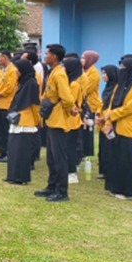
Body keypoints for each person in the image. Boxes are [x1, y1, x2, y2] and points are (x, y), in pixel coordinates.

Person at [34, 44, 76, 203]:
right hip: (51, 119)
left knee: (59, 158)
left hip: (58, 120)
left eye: (47, 54)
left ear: (55, 57)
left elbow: (67, 98)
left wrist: (70, 110)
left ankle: (61, 191)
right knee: (51, 157)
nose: (45, 56)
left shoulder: (59, 74)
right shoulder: (53, 72)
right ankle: (51, 186)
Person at [101, 56, 132, 200]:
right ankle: (116, 188)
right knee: (117, 159)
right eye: (120, 68)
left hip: (130, 128)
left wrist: (112, 115)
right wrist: (108, 120)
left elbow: (130, 108)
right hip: (116, 127)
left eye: (124, 69)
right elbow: (112, 104)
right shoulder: (120, 85)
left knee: (129, 160)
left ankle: (131, 192)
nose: (121, 71)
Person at [5, 59, 41, 185]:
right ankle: (12, 175)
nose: (16, 72)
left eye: (18, 70)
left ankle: (21, 177)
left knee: (22, 151)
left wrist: (37, 120)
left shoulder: (31, 84)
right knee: (13, 149)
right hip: (17, 119)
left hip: (26, 121)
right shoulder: (22, 82)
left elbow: (35, 104)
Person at [0, 50, 17, 162]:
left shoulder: (13, 71)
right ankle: (2, 151)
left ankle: (8, 153)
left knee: (6, 131)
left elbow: (9, 89)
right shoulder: (3, 71)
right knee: (0, 130)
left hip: (6, 104)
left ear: (5, 58)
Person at [62, 56, 84, 185]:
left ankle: (72, 172)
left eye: (65, 66)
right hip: (66, 120)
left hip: (72, 120)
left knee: (70, 147)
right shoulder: (68, 82)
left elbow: (70, 101)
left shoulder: (74, 84)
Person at [95, 65, 118, 180]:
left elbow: (113, 106)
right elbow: (102, 103)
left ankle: (110, 171)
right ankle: (103, 171)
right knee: (103, 147)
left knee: (110, 146)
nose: (103, 76)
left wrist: (105, 117)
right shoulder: (107, 88)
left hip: (110, 123)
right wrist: (98, 115)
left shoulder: (116, 88)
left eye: (105, 73)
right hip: (102, 123)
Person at [80, 51, 102, 160]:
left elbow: (86, 89)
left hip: (90, 104)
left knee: (87, 129)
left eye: (84, 58)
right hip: (82, 103)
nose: (82, 60)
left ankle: (86, 152)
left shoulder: (94, 73)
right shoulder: (83, 70)